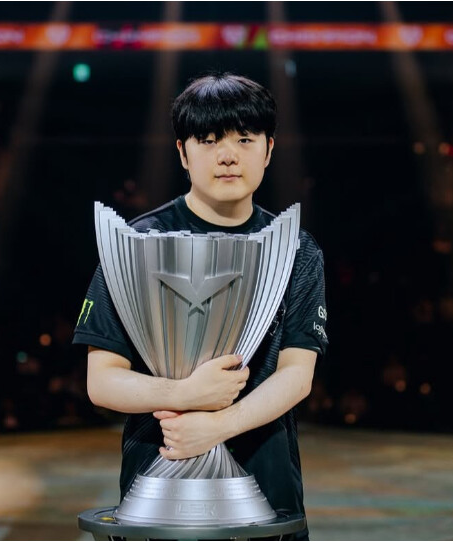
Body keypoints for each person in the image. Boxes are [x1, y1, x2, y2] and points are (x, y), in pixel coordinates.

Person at [73, 73, 328, 539]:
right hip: (158, 491)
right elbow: (102, 381)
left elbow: (297, 374)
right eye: (209, 141)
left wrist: (218, 426)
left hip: (268, 487)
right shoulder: (136, 244)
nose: (227, 155)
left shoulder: (296, 249)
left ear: (268, 150)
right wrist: (185, 395)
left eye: (245, 139)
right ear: (183, 153)